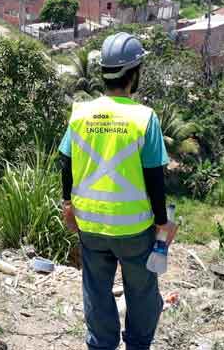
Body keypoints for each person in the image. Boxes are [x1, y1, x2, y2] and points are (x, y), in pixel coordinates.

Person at [58, 32, 178, 350]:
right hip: (133, 228)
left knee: (97, 291)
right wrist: (162, 221)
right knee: (142, 294)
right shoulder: (144, 118)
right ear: (135, 74)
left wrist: (67, 204)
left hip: (91, 225)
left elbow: (65, 160)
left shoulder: (81, 113)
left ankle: (101, 345)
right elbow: (155, 176)